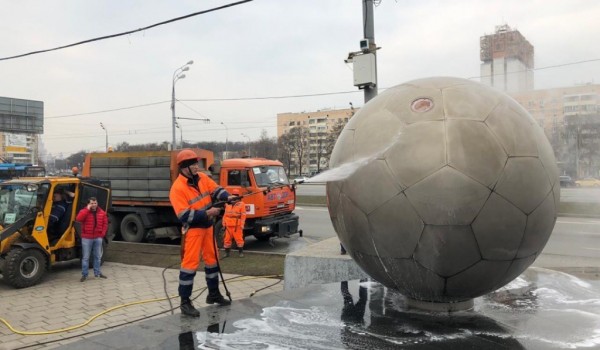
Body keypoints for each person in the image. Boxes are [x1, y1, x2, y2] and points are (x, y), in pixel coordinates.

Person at [169, 149, 236, 317]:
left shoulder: (202, 178)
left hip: (208, 228)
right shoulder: (177, 188)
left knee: (212, 261)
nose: (197, 166)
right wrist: (208, 213)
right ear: (185, 167)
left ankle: (213, 294)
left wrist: (228, 197)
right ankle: (185, 302)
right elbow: (183, 215)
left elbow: (216, 190)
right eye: (194, 164)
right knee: (189, 265)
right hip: (193, 231)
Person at [76, 197, 108, 282]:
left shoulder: (102, 213)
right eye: (92, 203)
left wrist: (102, 234)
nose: (94, 205)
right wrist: (87, 209)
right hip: (87, 238)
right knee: (86, 257)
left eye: (95, 203)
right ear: (88, 204)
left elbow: (105, 224)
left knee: (97, 256)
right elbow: (79, 219)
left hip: (98, 237)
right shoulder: (84, 211)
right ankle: (84, 275)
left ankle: (97, 273)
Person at [222, 189, 246, 258]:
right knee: (226, 240)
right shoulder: (227, 204)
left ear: (238, 196)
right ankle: (227, 253)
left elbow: (243, 215)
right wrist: (224, 224)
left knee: (239, 240)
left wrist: (242, 225)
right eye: (233, 195)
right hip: (228, 225)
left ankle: (241, 253)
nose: (234, 197)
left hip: (237, 226)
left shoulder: (241, 204)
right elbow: (225, 215)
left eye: (235, 195)